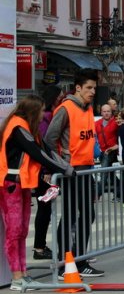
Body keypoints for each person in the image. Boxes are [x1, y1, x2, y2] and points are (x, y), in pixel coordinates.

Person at [0, 94, 75, 290]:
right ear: (33, 111)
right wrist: (65, 169)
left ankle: (23, 274)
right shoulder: (18, 127)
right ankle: (17, 277)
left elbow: (45, 150)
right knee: (15, 231)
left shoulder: (25, 128)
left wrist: (65, 167)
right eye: (41, 110)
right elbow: (38, 153)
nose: (44, 114)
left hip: (21, 184)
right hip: (11, 184)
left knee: (22, 231)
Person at [44, 68, 104, 277]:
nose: (92, 91)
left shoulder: (87, 108)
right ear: (77, 88)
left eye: (94, 88)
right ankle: (65, 263)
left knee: (88, 214)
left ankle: (79, 260)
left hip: (87, 168)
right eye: (88, 88)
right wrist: (62, 165)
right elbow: (49, 140)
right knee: (70, 216)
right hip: (72, 170)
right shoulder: (65, 109)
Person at [33, 85, 64, 261]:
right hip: (44, 172)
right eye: (59, 96)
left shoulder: (48, 117)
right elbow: (45, 147)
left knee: (45, 209)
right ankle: (39, 247)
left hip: (46, 170)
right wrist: (46, 170)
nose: (61, 98)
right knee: (44, 209)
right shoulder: (45, 119)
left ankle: (40, 246)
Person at [95, 104, 119, 200]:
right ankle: (119, 192)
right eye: (104, 111)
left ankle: (97, 194)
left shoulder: (116, 122)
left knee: (104, 172)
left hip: (112, 151)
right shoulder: (96, 123)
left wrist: (116, 147)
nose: (106, 113)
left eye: (108, 111)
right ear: (101, 112)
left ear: (111, 112)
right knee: (111, 174)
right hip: (102, 152)